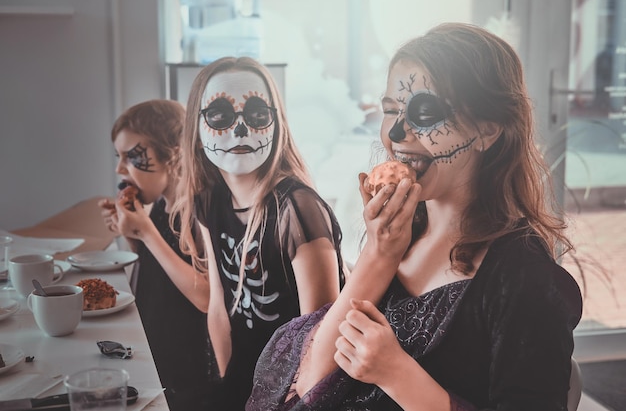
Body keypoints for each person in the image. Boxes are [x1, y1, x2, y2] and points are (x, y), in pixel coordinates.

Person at [246, 22, 583, 411]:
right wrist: (379, 254)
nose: (397, 133)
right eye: (391, 110)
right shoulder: (398, 234)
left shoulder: (524, 278)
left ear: (489, 129)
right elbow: (305, 385)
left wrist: (397, 374)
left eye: (426, 111)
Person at [172, 56, 346, 410]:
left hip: (296, 394)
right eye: (220, 115)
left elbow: (319, 336)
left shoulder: (296, 211)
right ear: (198, 125)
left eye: (255, 113)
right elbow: (220, 310)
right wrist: (230, 386)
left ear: (275, 121)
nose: (240, 131)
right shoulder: (209, 201)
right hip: (242, 384)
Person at [97, 99, 212, 411]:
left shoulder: (201, 210)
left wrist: (145, 230)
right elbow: (160, 269)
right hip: (158, 356)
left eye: (130, 157)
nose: (120, 169)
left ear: (172, 155)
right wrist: (130, 231)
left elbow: (206, 297)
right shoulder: (162, 204)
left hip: (191, 377)